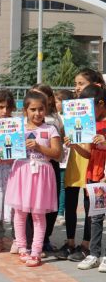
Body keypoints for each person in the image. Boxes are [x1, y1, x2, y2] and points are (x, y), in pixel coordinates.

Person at [5, 91, 62, 267]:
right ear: (25, 111)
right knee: (20, 213)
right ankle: (22, 247)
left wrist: (38, 147)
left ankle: (36, 251)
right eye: (33, 109)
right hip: (21, 171)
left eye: (41, 109)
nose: (37, 113)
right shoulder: (17, 128)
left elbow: (57, 154)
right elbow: (8, 152)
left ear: (46, 109)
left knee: (38, 214)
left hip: (42, 173)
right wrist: (0, 156)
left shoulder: (50, 129)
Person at [57, 71, 104, 261]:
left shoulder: (97, 110)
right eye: (76, 83)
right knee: (70, 199)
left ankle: (87, 245)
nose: (77, 87)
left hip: (94, 164)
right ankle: (70, 242)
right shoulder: (74, 108)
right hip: (77, 159)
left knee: (90, 205)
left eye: (81, 83)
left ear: (95, 86)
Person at [73, 86, 106, 270]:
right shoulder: (90, 125)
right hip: (95, 177)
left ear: (101, 103)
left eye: (89, 108)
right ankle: (94, 253)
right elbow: (87, 154)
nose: (87, 113)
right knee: (95, 216)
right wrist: (75, 146)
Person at [30, 84, 64, 255]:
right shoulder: (28, 122)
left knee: (51, 203)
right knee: (32, 203)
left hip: (51, 164)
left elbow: (61, 140)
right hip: (32, 164)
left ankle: (45, 238)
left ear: (50, 99)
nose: (37, 111)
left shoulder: (55, 120)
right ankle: (32, 239)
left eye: (42, 96)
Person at [0, 90, 17, 253]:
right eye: (1, 107)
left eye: (7, 107)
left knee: (15, 203)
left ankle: (17, 237)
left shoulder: (17, 125)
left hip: (14, 171)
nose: (4, 111)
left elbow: (21, 148)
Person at [54, 89, 75, 222]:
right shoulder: (56, 117)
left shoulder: (70, 117)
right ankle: (60, 211)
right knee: (60, 185)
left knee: (63, 185)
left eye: (57, 101)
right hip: (60, 155)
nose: (55, 104)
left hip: (68, 156)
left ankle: (61, 213)